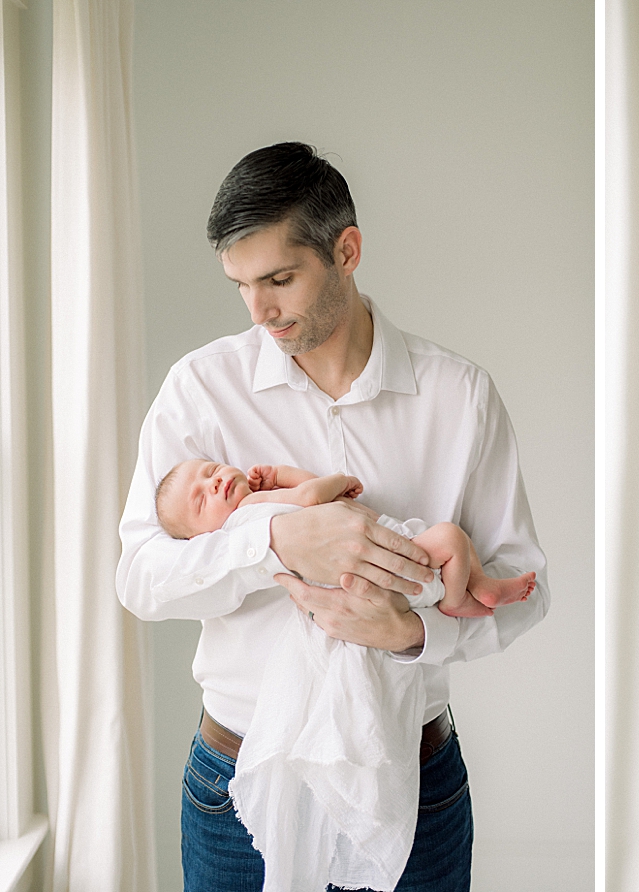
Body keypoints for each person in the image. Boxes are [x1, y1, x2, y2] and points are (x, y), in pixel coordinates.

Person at [117, 142, 548, 892]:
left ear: (345, 250)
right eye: (241, 285)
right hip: (237, 780)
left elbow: (524, 585)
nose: (260, 311)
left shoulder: (459, 396)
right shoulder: (199, 389)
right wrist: (274, 540)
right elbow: (142, 578)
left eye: (280, 279)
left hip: (412, 778)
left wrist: (416, 633)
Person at [155, 458, 536, 617]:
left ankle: (478, 586)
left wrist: (280, 476)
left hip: (378, 565)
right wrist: (339, 480)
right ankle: (456, 602)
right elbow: (310, 495)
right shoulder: (248, 513)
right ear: (201, 538)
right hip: (392, 554)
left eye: (210, 470)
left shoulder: (257, 513)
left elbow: (303, 497)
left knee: (457, 544)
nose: (214, 481)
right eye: (201, 499)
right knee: (453, 538)